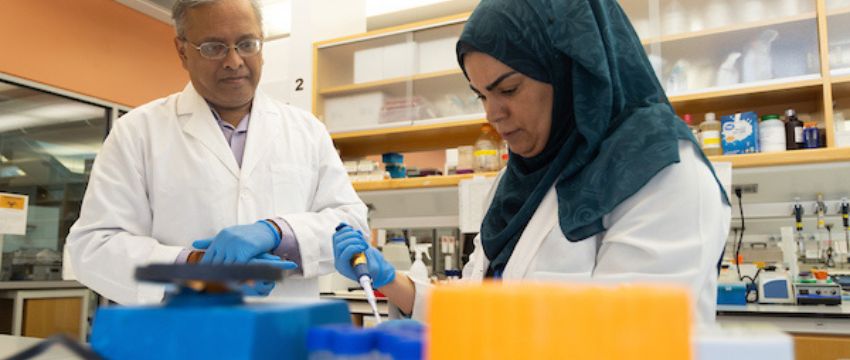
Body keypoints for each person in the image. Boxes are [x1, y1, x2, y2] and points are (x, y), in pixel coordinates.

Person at [333, 0, 731, 323]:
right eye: (481, 96)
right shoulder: (519, 178)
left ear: (569, 69)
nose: (492, 114)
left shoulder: (661, 172)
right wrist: (395, 283)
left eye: (508, 88)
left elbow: (625, 338)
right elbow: (483, 307)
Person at [66, 0, 367, 304]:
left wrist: (280, 232)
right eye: (213, 47)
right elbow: (93, 247)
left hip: (285, 336)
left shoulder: (307, 130)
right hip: (184, 339)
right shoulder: (136, 132)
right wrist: (198, 268)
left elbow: (352, 225)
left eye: (247, 44)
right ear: (182, 51)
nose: (234, 61)